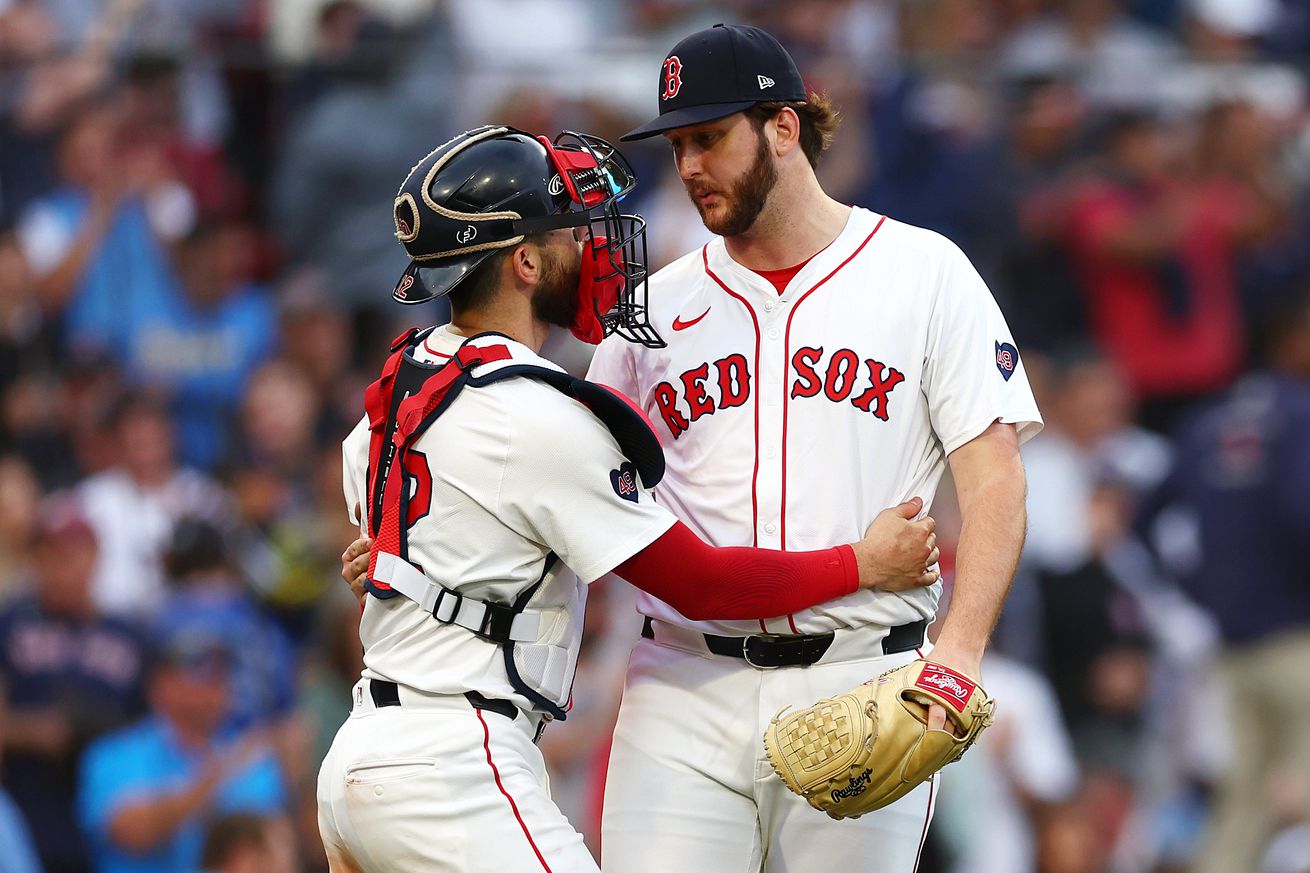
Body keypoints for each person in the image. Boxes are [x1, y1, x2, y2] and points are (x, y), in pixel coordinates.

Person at [319, 124, 943, 873]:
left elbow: (388, 527)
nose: (591, 246)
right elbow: (700, 584)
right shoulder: (537, 415)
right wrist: (862, 562)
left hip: (359, 761)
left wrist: (382, 558)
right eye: (570, 229)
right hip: (452, 767)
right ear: (523, 261)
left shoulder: (401, 386)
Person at [592, 24, 1041, 872]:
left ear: (785, 128)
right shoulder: (648, 310)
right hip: (680, 684)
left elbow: (994, 477)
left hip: (862, 676)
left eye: (710, 137)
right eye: (679, 143)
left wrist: (960, 652)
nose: (688, 165)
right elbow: (575, 491)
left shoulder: (923, 271)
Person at [1140, 292, 1310, 873]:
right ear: (1292, 339)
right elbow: (1299, 511)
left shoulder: (1206, 421)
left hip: (1233, 642)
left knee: (1244, 809)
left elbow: (1144, 521)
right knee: (1287, 798)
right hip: (1297, 639)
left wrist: (1199, 588)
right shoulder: (1300, 415)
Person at [77, 631, 287, 873]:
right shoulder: (111, 754)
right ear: (159, 684)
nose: (215, 680)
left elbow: (271, 852)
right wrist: (210, 783)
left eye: (222, 671)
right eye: (199, 667)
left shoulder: (255, 759)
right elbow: (130, 832)